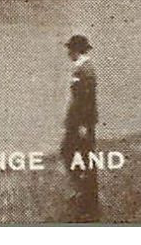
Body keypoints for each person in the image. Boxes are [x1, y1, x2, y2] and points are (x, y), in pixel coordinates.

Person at [61, 33, 100, 222]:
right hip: (79, 122)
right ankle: (86, 197)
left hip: (81, 123)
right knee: (81, 157)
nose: (68, 53)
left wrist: (83, 124)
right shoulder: (82, 68)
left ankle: (87, 201)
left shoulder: (85, 71)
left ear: (76, 51)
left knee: (73, 155)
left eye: (70, 49)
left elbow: (86, 100)